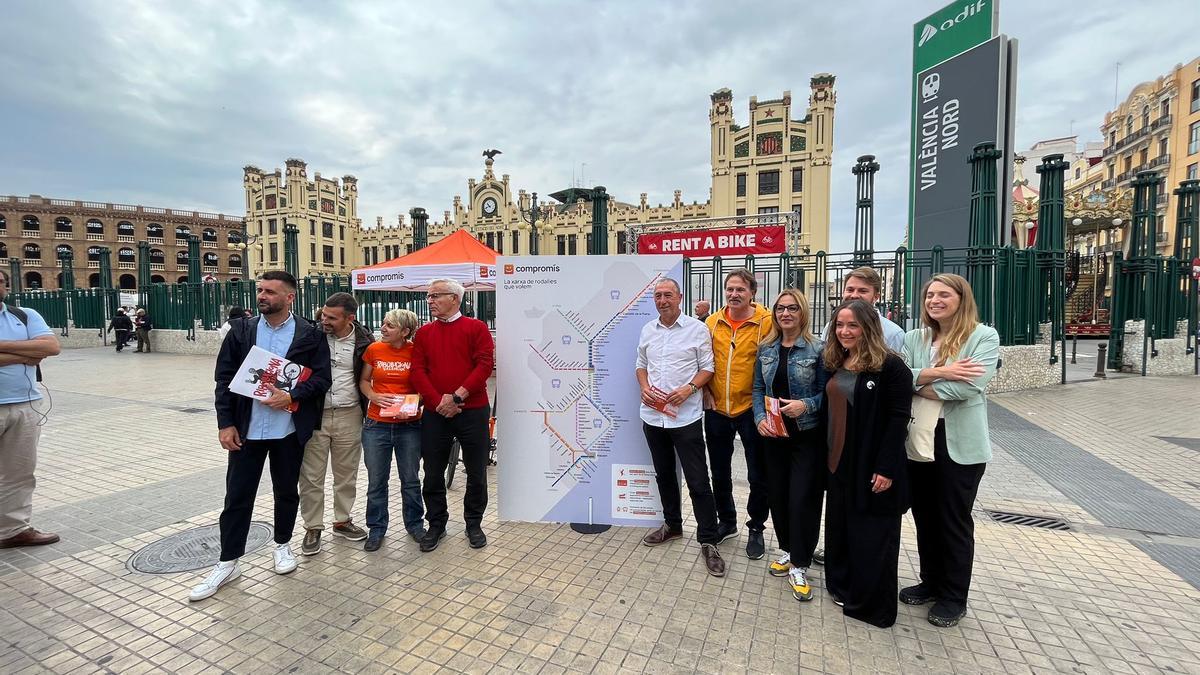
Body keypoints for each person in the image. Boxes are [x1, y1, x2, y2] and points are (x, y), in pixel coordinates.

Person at [191, 270, 332, 602]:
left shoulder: (310, 334)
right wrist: (225, 424)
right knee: (238, 496)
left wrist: (292, 395)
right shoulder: (242, 330)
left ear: (290, 297)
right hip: (246, 430)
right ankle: (228, 561)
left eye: (270, 291)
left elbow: (322, 379)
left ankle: (282, 545)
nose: (262, 296)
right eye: (260, 290)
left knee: (286, 491)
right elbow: (224, 379)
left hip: (287, 430)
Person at [900, 273, 999, 628]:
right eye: (929, 295)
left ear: (962, 298)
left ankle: (954, 596)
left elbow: (970, 389)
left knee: (953, 521)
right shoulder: (915, 337)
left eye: (943, 294)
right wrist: (944, 372)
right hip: (920, 440)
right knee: (925, 517)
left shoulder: (982, 337)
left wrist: (922, 380)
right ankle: (931, 582)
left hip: (958, 445)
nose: (934, 300)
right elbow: (899, 378)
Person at [821, 299, 911, 628]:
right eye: (840, 325)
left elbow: (898, 420)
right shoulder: (837, 360)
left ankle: (873, 607)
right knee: (842, 530)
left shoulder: (890, 367)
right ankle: (842, 587)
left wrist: (886, 469)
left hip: (871, 466)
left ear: (868, 327)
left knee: (873, 536)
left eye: (853, 325)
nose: (845, 331)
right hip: (838, 463)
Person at [637, 279, 724, 577]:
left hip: (685, 418)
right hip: (653, 417)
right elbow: (640, 364)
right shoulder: (648, 329)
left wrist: (689, 389)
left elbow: (708, 367)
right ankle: (672, 526)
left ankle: (709, 541)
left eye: (668, 295)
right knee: (664, 476)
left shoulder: (697, 329)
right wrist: (645, 386)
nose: (663, 300)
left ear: (680, 297)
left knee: (698, 481)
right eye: (658, 296)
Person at [751, 289, 827, 601]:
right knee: (779, 498)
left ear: (802, 312)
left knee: (802, 500)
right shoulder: (766, 347)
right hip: (774, 435)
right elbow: (757, 387)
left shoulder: (818, 349)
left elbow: (827, 392)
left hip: (806, 437)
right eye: (781, 308)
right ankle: (788, 550)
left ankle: (801, 562)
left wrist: (805, 405)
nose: (786, 314)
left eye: (792, 308)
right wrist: (758, 418)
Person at [410, 279, 494, 552]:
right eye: (429, 296)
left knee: (476, 471)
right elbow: (418, 372)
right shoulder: (423, 333)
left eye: (436, 296)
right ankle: (436, 523)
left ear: (455, 299)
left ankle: (473, 523)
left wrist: (457, 396)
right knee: (432, 472)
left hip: (472, 411)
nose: (430, 300)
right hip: (436, 414)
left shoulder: (477, 328)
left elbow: (484, 365)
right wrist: (438, 403)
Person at [704, 268, 773, 559]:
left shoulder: (767, 322)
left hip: (751, 408)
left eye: (740, 290)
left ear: (752, 292)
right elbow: (703, 358)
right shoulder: (711, 321)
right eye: (730, 289)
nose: (734, 295)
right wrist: (706, 391)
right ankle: (728, 521)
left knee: (759, 474)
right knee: (720, 472)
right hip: (717, 407)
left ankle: (756, 526)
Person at [297, 293, 374, 555]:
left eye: (332, 317)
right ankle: (313, 527)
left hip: (349, 414)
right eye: (323, 315)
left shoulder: (365, 341)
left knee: (346, 473)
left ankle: (342, 520)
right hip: (315, 415)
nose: (324, 320)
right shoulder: (312, 336)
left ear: (350, 318)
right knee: (311, 475)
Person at [0, 270, 62, 549]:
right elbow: (37, 351)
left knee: (20, 471)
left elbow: (50, 346)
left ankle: (12, 530)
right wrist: (26, 355)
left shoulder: (24, 314)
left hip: (25, 404)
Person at [359, 308, 426, 551]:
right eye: (384, 324)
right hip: (376, 425)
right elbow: (364, 381)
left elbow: (424, 385)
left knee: (410, 479)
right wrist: (373, 396)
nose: (383, 329)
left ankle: (415, 524)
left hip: (409, 425)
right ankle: (376, 528)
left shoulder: (416, 352)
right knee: (377, 480)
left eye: (389, 325)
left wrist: (414, 404)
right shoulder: (374, 349)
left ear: (405, 331)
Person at [822, 267, 905, 352]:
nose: (854, 295)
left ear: (876, 297)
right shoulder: (830, 327)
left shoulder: (893, 333)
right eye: (850, 290)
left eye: (862, 291)